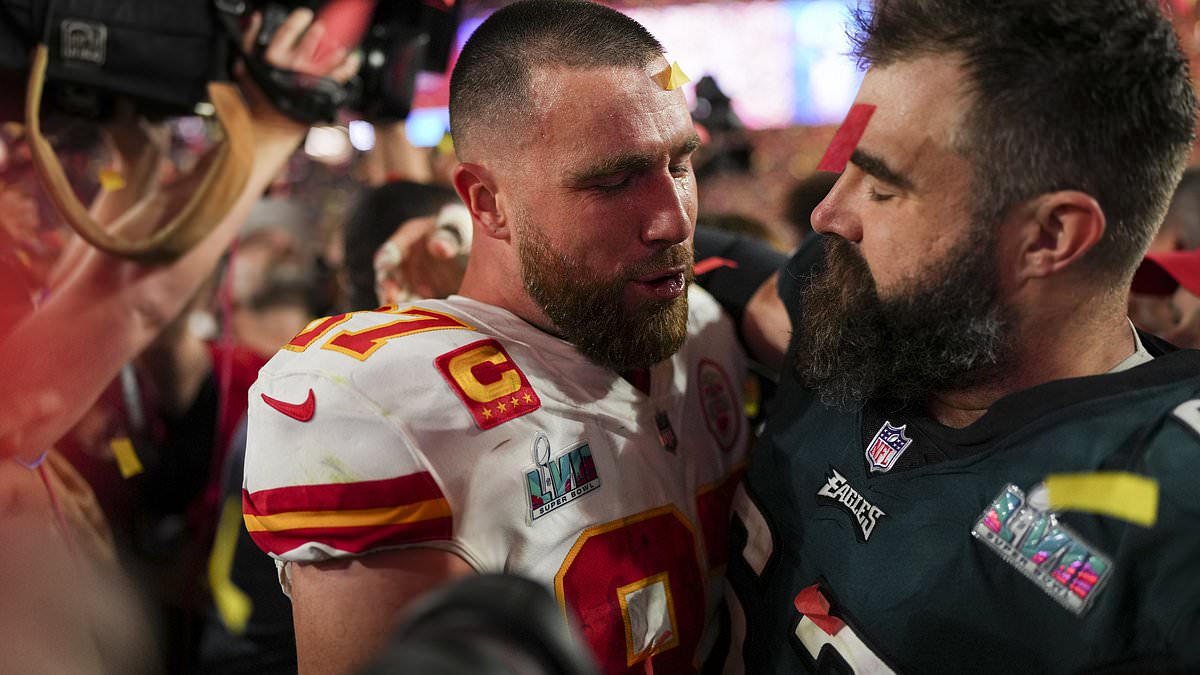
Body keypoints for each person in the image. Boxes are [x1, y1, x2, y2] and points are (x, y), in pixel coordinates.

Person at [241, 2, 748, 673]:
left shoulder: (710, 324)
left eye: (679, 163)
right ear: (486, 202)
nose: (672, 221)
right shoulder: (386, 404)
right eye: (613, 180)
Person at [722, 1, 1200, 672]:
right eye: (846, 167)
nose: (829, 213)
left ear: (1048, 237)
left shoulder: (1171, 511)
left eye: (882, 185)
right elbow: (765, 294)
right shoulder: (856, 291)